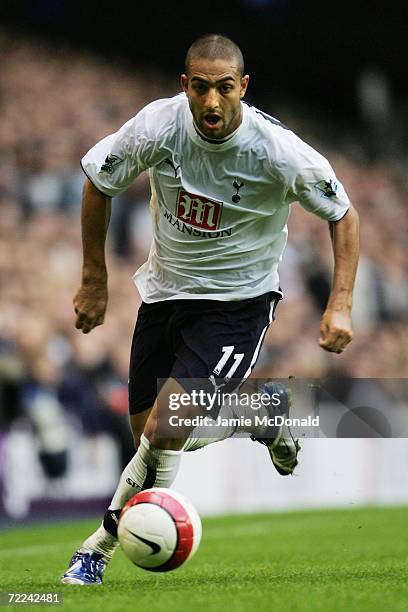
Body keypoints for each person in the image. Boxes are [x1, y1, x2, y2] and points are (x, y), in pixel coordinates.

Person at [61, 34, 359, 585]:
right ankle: (260, 415)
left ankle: (96, 547)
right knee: (150, 434)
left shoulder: (276, 150)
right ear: (185, 86)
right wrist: (93, 279)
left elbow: (343, 213)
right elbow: (98, 180)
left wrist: (339, 305)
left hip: (237, 304)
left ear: (243, 86)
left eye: (225, 88)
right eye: (201, 88)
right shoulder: (159, 126)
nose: (213, 102)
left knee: (167, 427)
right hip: (165, 294)